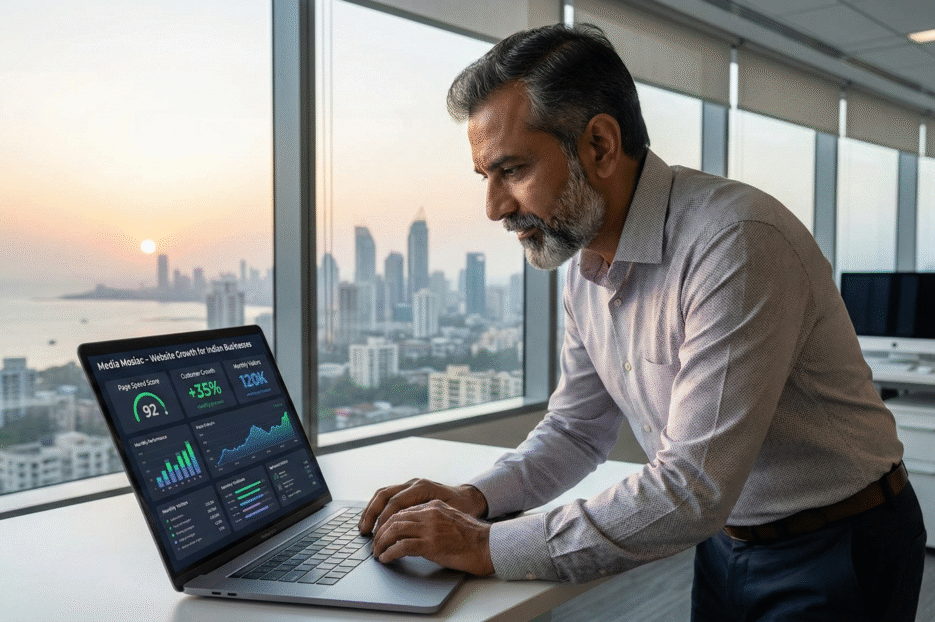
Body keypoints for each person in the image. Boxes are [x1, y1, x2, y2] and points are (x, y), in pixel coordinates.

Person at [357, 22, 927, 621]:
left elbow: (691, 488)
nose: (495, 207)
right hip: (726, 541)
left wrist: (485, 546)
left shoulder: (734, 244)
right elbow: (577, 430)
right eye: (486, 177)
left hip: (837, 545)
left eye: (513, 170)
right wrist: (474, 499)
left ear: (600, 145)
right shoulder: (584, 269)